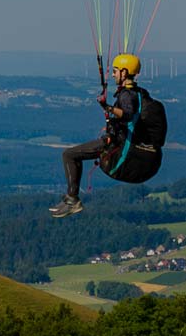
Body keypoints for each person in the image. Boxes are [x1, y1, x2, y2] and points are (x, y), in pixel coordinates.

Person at [52, 53, 145, 216]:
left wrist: (108, 107)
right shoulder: (132, 92)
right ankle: (71, 198)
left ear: (124, 72)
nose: (114, 74)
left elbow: (128, 114)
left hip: (115, 144)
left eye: (116, 71)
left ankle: (73, 200)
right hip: (116, 140)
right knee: (72, 155)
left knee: (69, 155)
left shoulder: (127, 95)